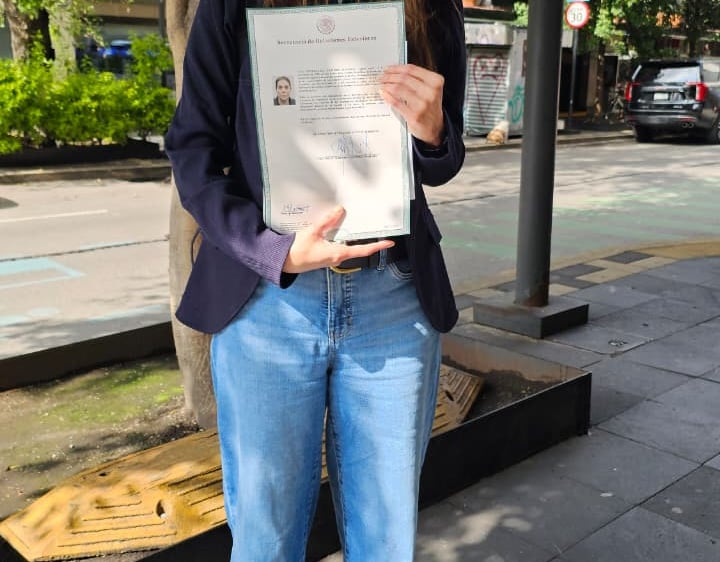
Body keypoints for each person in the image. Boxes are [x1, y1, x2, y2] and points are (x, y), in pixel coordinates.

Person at [164, 0, 466, 560]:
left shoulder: (427, 7)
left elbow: (443, 158)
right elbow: (193, 149)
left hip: (392, 299)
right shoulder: (233, 5)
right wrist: (270, 250)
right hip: (265, 302)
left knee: (386, 541)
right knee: (265, 541)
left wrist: (434, 130)